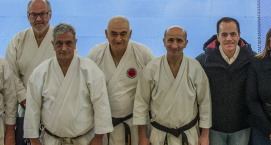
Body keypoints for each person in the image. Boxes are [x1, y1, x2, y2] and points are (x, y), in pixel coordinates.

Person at [23, 23, 113, 145]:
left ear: (75, 43)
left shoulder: (90, 70)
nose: (64, 48)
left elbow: (101, 105)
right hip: (52, 140)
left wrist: (98, 137)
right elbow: (32, 108)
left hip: (85, 140)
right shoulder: (40, 72)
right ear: (53, 45)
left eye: (68, 43)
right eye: (59, 43)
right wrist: (34, 140)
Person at [132, 26, 213, 145]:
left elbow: (205, 103)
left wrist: (205, 135)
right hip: (159, 136)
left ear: (186, 43)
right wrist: (142, 136)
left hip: (189, 135)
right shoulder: (151, 68)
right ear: (164, 42)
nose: (174, 45)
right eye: (170, 40)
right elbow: (141, 103)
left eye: (179, 41)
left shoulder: (195, 68)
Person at [86, 16, 156, 145]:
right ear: (106, 34)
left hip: (133, 125)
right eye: (114, 34)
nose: (118, 39)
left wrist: (144, 134)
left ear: (130, 34)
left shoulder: (142, 53)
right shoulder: (96, 54)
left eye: (123, 34)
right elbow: (85, 91)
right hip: (103, 127)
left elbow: (155, 88)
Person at [9, 0, 60, 144]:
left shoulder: (62, 39)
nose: (38, 19)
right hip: (25, 106)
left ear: (50, 14)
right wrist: (25, 98)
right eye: (33, 15)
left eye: (42, 14)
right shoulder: (18, 40)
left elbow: (70, 72)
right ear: (27, 16)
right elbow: (10, 73)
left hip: (54, 105)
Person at [197, 17, 255, 145]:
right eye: (224, 34)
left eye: (233, 34)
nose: (229, 39)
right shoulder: (203, 61)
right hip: (213, 129)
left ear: (239, 35)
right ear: (217, 36)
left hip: (242, 128)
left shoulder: (253, 60)